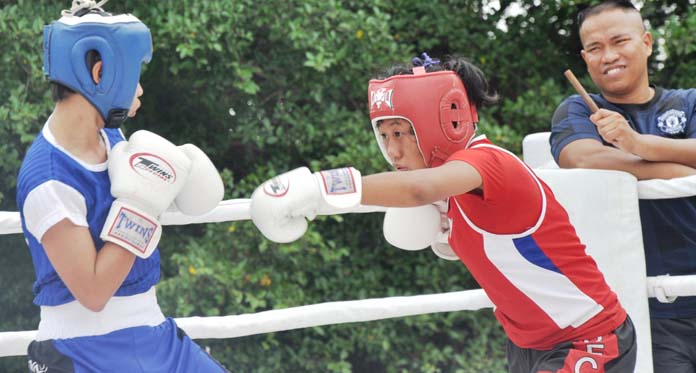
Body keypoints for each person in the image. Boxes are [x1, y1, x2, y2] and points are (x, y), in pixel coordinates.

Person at [249, 54, 636, 372]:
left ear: (444, 120)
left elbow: (420, 187)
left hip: (590, 338)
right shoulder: (446, 189)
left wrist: (319, 189)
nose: (393, 150)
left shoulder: (488, 163)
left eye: (401, 133)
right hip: (527, 345)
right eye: (383, 136)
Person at [17, 1, 226, 372]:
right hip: (83, 349)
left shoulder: (110, 135)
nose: (141, 88)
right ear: (100, 73)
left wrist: (167, 183)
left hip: (152, 330)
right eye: (135, 74)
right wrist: (144, 203)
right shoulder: (47, 180)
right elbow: (94, 292)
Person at [549, 1, 696, 371]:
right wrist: (672, 170)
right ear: (584, 58)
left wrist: (639, 144)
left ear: (646, 42)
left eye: (619, 41)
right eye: (595, 49)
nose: (608, 56)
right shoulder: (578, 110)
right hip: (645, 308)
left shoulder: (690, 103)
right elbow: (583, 159)